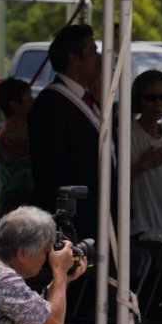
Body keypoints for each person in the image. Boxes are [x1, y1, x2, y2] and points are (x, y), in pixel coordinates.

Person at [28, 24, 102, 239]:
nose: (98, 57)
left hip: (96, 212)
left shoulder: (87, 99)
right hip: (75, 218)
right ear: (74, 58)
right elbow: (51, 169)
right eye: (92, 51)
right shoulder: (52, 103)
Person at [128, 70, 162, 245]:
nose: (158, 103)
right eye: (151, 97)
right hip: (134, 229)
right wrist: (142, 166)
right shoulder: (126, 134)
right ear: (139, 99)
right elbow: (113, 181)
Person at [0, 79, 34, 217]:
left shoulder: (23, 131)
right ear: (15, 106)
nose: (33, 102)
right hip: (14, 211)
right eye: (29, 100)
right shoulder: (11, 138)